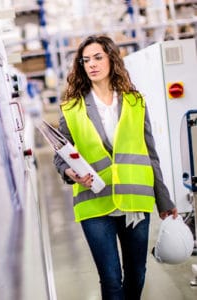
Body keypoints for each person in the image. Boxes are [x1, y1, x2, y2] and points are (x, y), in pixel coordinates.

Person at [54, 35, 178, 300]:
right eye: (85, 60)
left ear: (112, 58)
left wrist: (163, 200)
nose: (92, 64)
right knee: (110, 278)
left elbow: (150, 154)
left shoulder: (135, 102)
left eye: (98, 57)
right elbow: (60, 156)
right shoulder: (71, 108)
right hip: (94, 202)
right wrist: (69, 171)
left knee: (137, 271)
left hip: (135, 199)